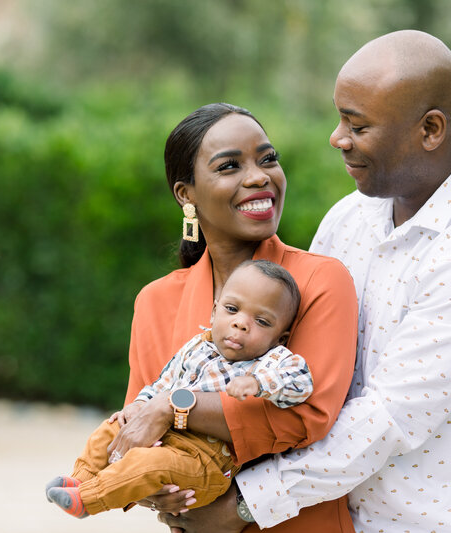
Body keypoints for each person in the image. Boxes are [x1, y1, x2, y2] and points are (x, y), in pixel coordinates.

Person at [158, 30, 451, 533]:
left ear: (430, 129)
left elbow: (387, 419)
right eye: (340, 117)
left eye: (357, 124)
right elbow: (297, 368)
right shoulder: (350, 218)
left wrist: (240, 506)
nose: (336, 138)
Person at [95, 102, 360, 532]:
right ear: (186, 195)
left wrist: (175, 407)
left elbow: (309, 414)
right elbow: (138, 426)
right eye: (230, 166)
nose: (259, 176)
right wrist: (152, 486)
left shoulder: (321, 280)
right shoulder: (155, 301)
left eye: (268, 159)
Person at [45, 259, 314, 518]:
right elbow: (163, 383)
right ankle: (81, 480)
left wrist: (257, 383)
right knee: (110, 429)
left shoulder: (272, 360)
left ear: (280, 338)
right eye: (232, 309)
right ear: (214, 311)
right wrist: (140, 405)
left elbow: (301, 382)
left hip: (205, 460)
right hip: (167, 434)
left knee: (147, 466)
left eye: (262, 322)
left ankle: (88, 500)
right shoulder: (197, 346)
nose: (241, 323)